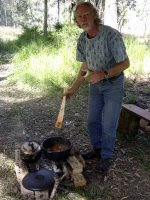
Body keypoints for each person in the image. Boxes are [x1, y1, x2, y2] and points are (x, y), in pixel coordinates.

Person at [64, 2, 130, 172]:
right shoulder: (82, 39)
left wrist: (103, 74)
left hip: (113, 84)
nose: (83, 18)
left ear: (94, 15)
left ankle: (107, 156)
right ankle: (98, 149)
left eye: (86, 14)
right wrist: (73, 88)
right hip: (95, 85)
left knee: (108, 123)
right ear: (77, 21)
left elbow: (125, 63)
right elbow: (85, 66)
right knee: (92, 120)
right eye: (79, 16)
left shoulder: (111, 35)